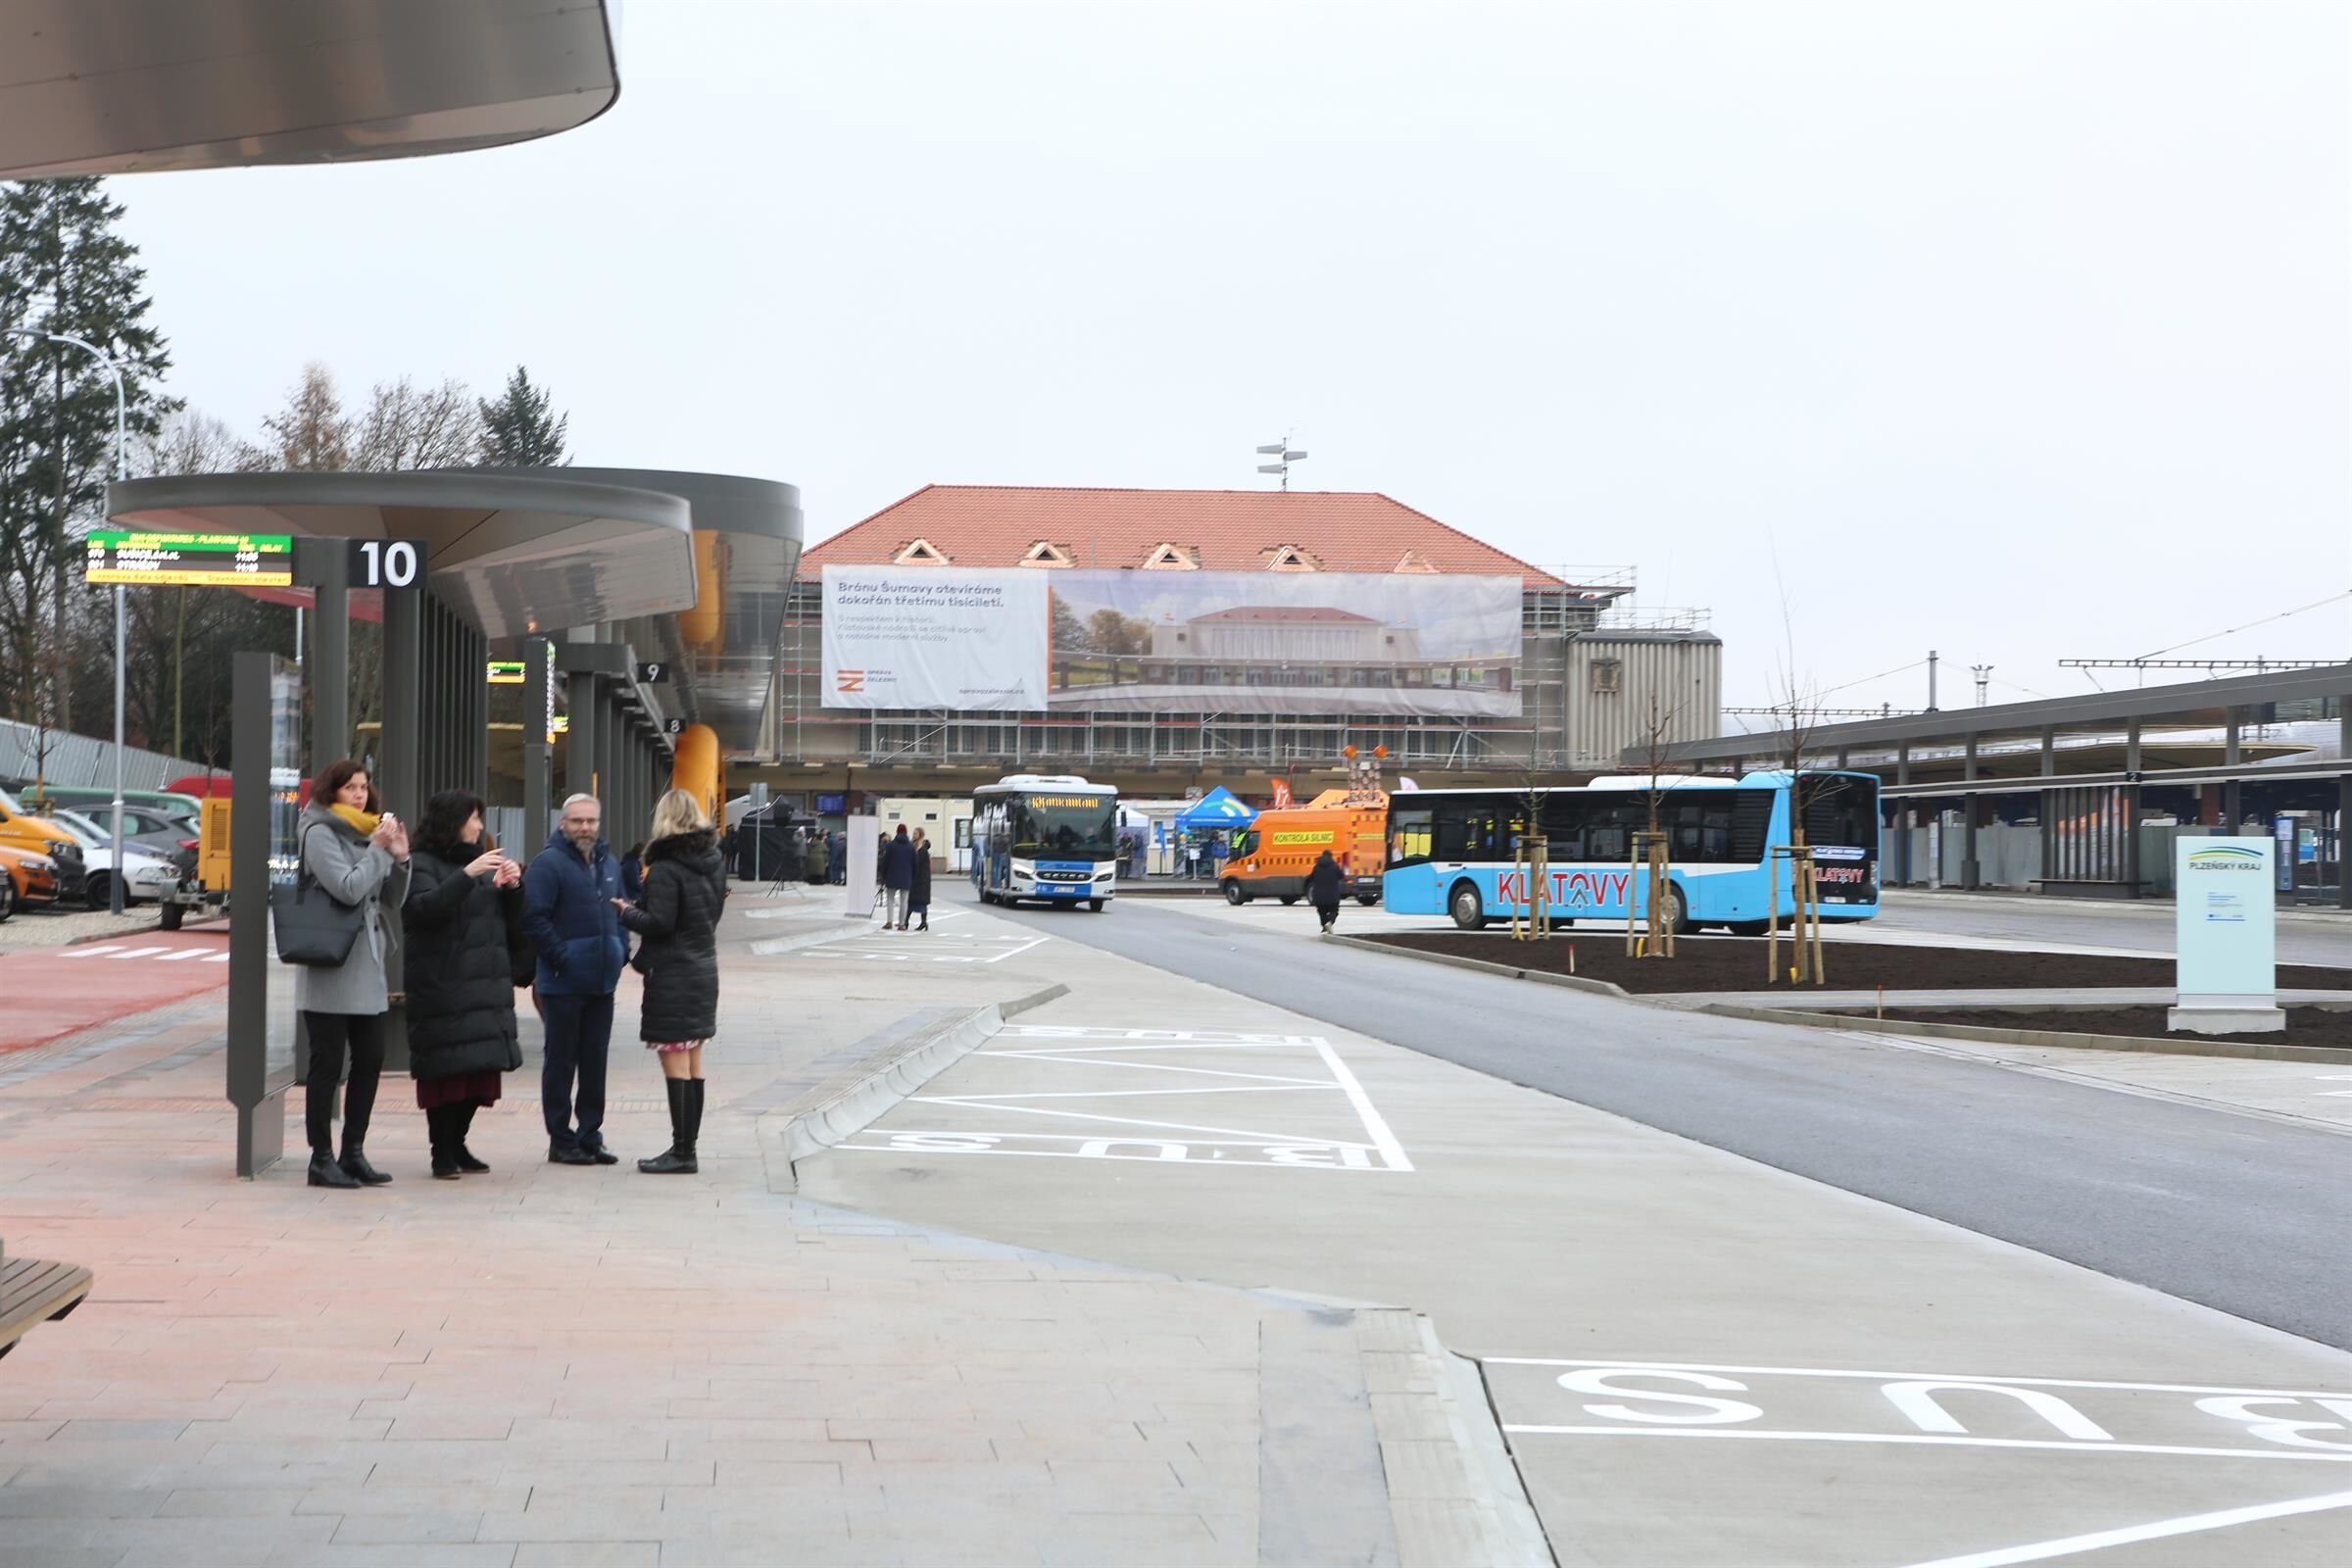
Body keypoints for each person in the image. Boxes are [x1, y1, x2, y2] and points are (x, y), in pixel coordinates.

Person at [295, 760, 412, 1189]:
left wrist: (400, 857)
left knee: (371, 1058)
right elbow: (347, 888)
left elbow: (390, 899)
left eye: (363, 787)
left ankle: (354, 1152)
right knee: (327, 1064)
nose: (360, 795)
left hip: (368, 963)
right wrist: (378, 850)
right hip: (332, 965)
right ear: (332, 791)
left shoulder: (368, 830)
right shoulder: (318, 832)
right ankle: (321, 1158)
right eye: (350, 788)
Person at [402, 790, 524, 1179]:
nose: (479, 826)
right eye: (473, 818)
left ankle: (458, 1142)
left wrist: (512, 889)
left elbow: (508, 925)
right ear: (452, 822)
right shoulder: (421, 862)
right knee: (445, 1074)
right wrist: (467, 875)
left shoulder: (481, 865)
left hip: (484, 987)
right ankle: (441, 1150)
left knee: (479, 1071)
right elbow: (422, 909)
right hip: (443, 986)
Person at [617, 789, 727, 1175]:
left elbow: (661, 922)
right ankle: (687, 1148)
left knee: (676, 1066)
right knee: (693, 1064)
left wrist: (627, 913)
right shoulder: (713, 862)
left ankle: (682, 1153)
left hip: (674, 975)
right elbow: (705, 916)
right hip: (703, 969)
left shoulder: (665, 867)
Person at [524, 792, 628, 1167]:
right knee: (561, 1063)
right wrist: (562, 958)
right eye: (577, 821)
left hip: (602, 983)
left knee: (595, 1063)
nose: (585, 827)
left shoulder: (609, 864)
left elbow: (622, 911)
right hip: (562, 984)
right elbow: (533, 918)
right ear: (563, 823)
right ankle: (561, 1140)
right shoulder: (547, 864)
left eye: (591, 821)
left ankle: (590, 1136)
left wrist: (621, 950)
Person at [880, 823, 915, 930]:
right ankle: (901, 924)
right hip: (906, 877)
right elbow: (915, 863)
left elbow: (885, 862)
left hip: (892, 876)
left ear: (897, 832)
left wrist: (883, 875)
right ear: (906, 832)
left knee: (890, 899)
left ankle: (889, 922)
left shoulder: (891, 845)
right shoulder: (911, 847)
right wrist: (913, 877)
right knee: (904, 902)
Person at [1305, 848, 1345, 936]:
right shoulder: (1335, 866)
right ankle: (1329, 922)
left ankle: (1324, 927)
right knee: (1334, 910)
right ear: (1331, 856)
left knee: (1321, 911)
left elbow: (1311, 878)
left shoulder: (1316, 867)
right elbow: (1341, 876)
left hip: (1319, 895)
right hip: (1332, 895)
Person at [907, 827, 933, 933]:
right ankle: (907, 921)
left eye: (916, 834)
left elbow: (918, 862)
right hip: (915, 877)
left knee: (921, 901)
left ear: (920, 835)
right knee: (911, 900)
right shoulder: (913, 845)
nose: (914, 835)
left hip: (922, 879)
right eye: (913, 833)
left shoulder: (923, 849)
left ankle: (923, 922)